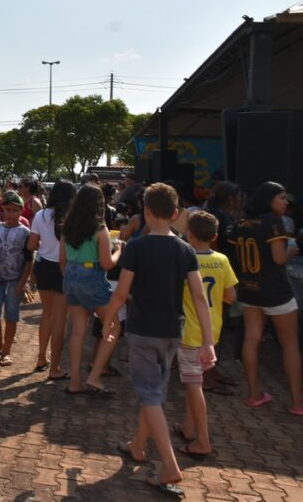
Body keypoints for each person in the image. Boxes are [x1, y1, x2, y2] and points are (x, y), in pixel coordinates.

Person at [101, 182, 215, 498]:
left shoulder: (136, 248)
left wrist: (108, 320)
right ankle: (138, 445)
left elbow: (122, 293)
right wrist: (208, 341)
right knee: (154, 392)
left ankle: (169, 465)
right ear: (176, 213)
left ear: (146, 212)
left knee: (150, 395)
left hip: (142, 330)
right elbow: (199, 297)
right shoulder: (185, 249)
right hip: (172, 331)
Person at [229, 181, 303, 414]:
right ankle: (297, 402)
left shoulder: (241, 223)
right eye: (281, 197)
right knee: (290, 344)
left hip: (249, 289)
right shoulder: (274, 222)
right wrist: (290, 251)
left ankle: (253, 394)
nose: (286, 202)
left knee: (251, 339)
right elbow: (279, 258)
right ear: (269, 199)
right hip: (275, 291)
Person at [174, 211, 237, 458]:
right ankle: (189, 427)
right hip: (212, 328)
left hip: (189, 330)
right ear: (215, 236)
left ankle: (202, 440)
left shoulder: (184, 258)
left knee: (193, 384)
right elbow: (231, 296)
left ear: (189, 234)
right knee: (196, 379)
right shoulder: (222, 260)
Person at [59, 183, 123, 396]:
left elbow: (62, 261)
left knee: (78, 332)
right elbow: (107, 264)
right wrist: (118, 251)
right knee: (113, 326)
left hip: (71, 277)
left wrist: (71, 278)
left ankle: (74, 382)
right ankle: (95, 376)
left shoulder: (67, 228)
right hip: (92, 277)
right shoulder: (100, 230)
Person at [28, 179, 75, 379]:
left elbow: (31, 245)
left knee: (47, 315)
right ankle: (54, 368)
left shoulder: (40, 215)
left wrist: (45, 245)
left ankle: (41, 357)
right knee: (60, 320)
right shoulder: (73, 217)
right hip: (65, 269)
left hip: (43, 267)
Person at [0, 191, 32, 367]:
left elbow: (29, 260)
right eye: (8, 209)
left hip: (15, 280)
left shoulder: (25, 232)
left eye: (15, 210)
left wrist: (23, 282)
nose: (11, 213)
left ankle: (6, 351)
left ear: (21, 211)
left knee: (11, 315)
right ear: (2, 210)